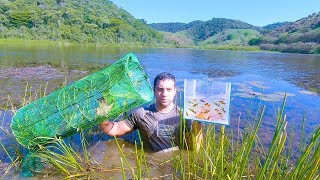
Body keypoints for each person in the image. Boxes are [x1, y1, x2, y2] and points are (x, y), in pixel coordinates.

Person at [99, 72, 203, 153]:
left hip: (175, 163)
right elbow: (115, 130)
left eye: (169, 89)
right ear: (154, 90)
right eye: (160, 89)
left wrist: (199, 123)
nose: (164, 94)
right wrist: (101, 116)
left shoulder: (185, 115)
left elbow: (195, 149)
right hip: (150, 163)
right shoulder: (141, 114)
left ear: (175, 91)